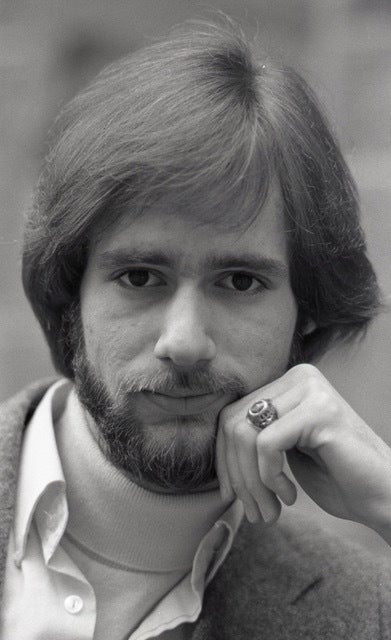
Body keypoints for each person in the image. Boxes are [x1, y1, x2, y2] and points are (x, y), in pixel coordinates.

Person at [0, 17, 390, 640]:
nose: (183, 342)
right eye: (139, 276)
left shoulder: (364, 613)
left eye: (239, 282)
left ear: (307, 309)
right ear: (68, 293)